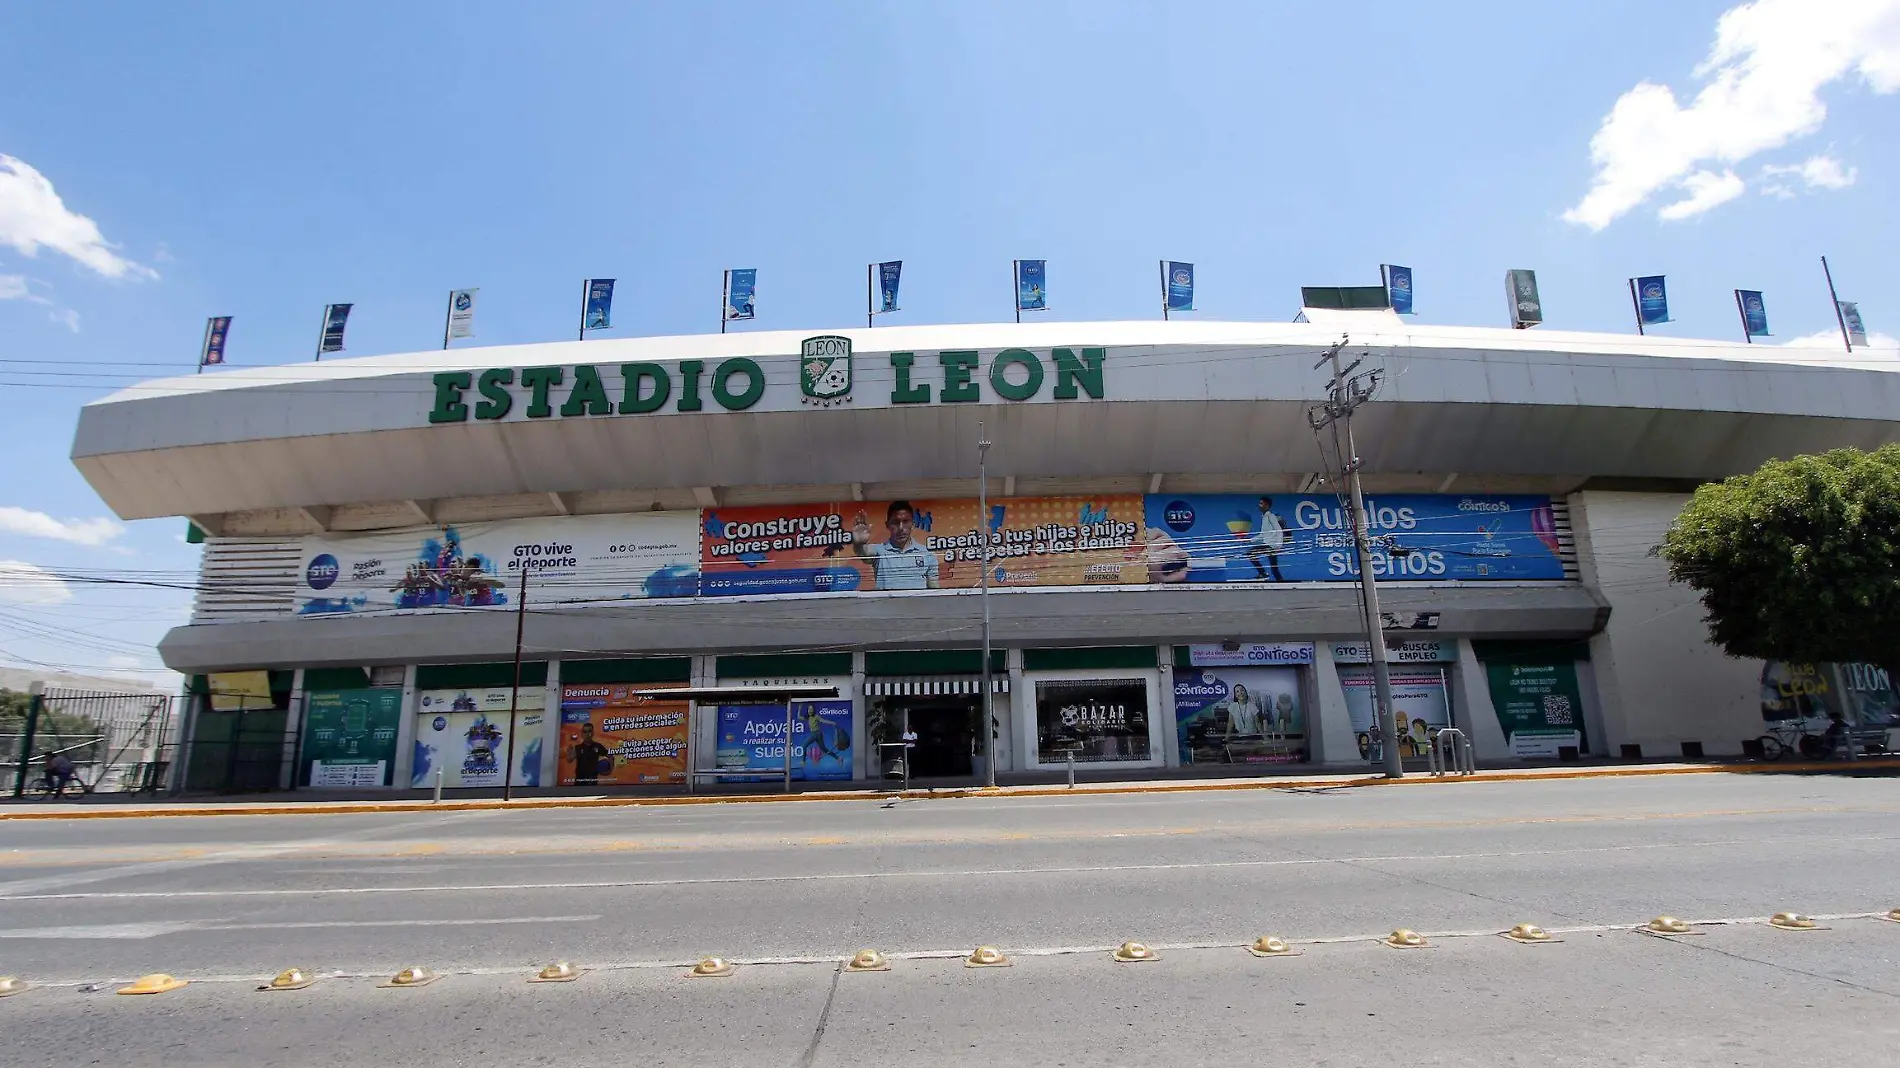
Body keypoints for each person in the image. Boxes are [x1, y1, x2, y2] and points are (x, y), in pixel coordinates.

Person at [851, 501, 940, 590]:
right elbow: (863, 552)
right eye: (895, 522)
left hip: (917, 604)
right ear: (888, 525)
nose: (901, 527)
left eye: (905, 521)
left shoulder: (927, 554)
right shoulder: (879, 551)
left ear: (912, 525)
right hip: (886, 604)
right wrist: (858, 544)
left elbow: (934, 590)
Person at [1243, 497, 1288, 582]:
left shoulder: (1271, 516)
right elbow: (1263, 534)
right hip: (1269, 545)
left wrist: (1278, 545)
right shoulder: (1264, 517)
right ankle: (1281, 583)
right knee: (1274, 568)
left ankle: (1263, 573)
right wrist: (1250, 540)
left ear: (1267, 505)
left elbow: (1279, 530)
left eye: (1261, 503)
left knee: (1250, 553)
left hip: (1271, 546)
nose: (1259, 505)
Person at [567, 721, 611, 785]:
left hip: (593, 780)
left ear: (593, 733)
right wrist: (570, 754)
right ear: (582, 734)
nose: (587, 734)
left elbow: (610, 756)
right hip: (579, 780)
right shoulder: (577, 748)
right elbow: (569, 759)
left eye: (589, 731)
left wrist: (609, 770)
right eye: (585, 731)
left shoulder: (598, 746)